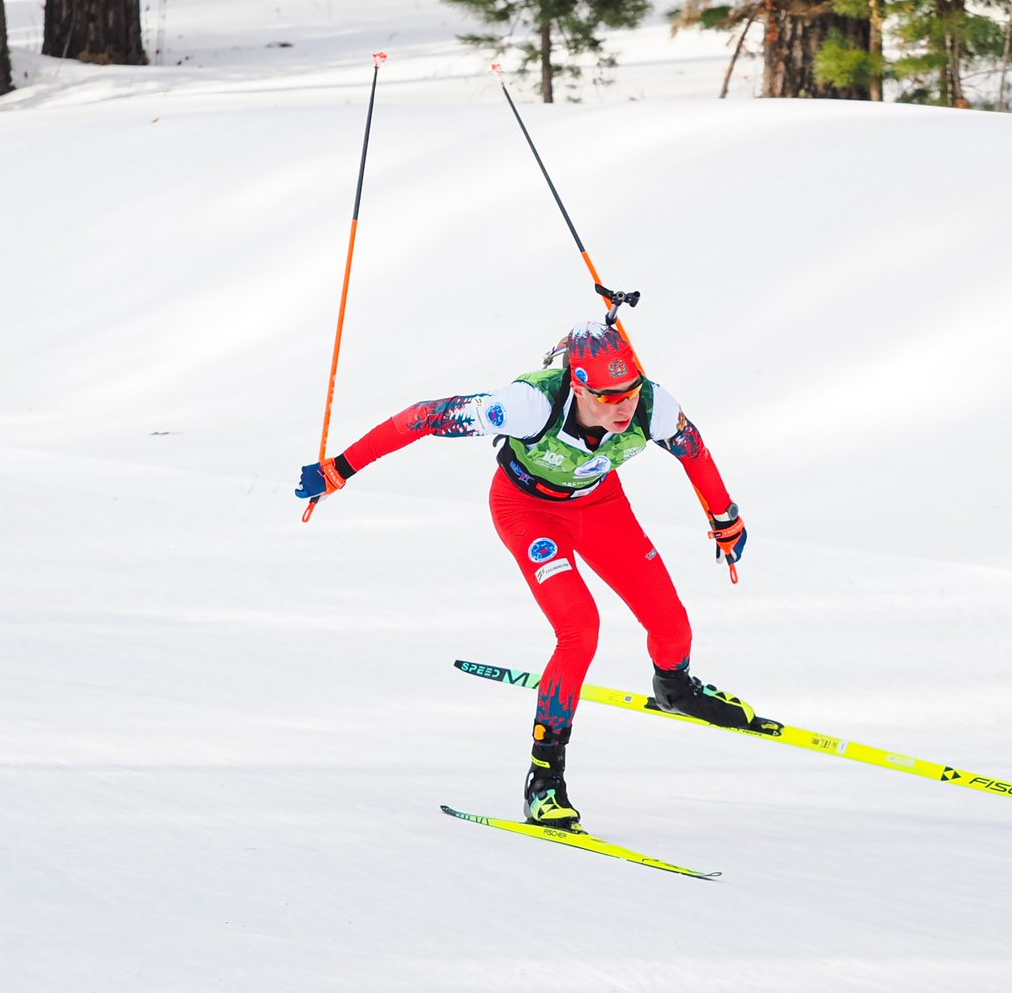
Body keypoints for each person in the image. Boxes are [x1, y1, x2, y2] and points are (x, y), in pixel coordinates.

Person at [298, 320, 760, 830]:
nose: (623, 407)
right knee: (580, 629)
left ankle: (675, 687)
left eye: (628, 392)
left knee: (671, 623)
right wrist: (340, 468)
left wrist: (724, 518)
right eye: (607, 397)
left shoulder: (652, 405)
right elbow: (423, 418)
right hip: (527, 511)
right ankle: (544, 782)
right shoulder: (528, 406)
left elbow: (692, 450)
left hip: (601, 506)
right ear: (579, 386)